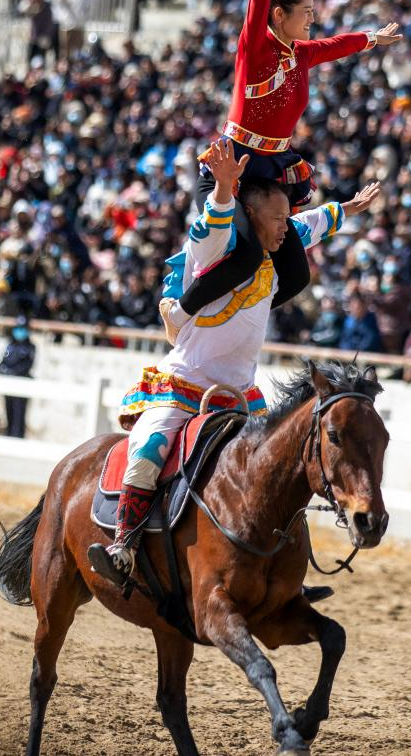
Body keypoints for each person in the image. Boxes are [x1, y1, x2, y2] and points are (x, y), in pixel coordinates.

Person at [89, 140, 381, 583]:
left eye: (286, 219)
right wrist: (224, 189)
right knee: (146, 453)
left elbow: (308, 225)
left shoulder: (273, 256)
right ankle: (123, 547)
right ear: (251, 215)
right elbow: (213, 223)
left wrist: (347, 210)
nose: (286, 228)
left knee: (276, 477)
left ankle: (284, 577)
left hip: (241, 397)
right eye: (278, 219)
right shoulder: (213, 253)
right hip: (183, 386)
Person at [179, 0, 402, 322]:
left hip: (271, 168)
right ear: (279, 15)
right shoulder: (256, 47)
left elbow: (336, 45)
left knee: (297, 274)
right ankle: (182, 313)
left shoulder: (301, 53)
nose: (313, 20)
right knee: (246, 256)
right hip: (234, 163)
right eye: (307, 13)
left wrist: (373, 39)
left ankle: (239, 319)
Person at [0, 316, 36, 437]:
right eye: (18, 328)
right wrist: (5, 371)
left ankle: (17, 437)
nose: (20, 331)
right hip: (8, 386)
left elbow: (27, 366)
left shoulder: (30, 347)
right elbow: (1, 364)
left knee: (19, 415)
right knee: (9, 413)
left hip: (22, 386)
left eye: (22, 328)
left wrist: (13, 373)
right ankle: (8, 435)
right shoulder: (9, 346)